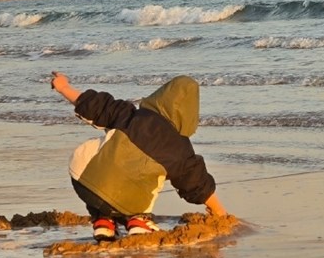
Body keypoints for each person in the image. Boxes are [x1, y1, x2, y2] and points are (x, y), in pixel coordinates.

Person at [51, 72, 228, 242]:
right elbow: (196, 183)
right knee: (145, 178)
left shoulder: (129, 113)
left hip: (82, 180)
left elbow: (94, 105)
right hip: (126, 198)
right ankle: (138, 219)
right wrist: (219, 212)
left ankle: (103, 220)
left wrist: (64, 87)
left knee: (106, 159)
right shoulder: (181, 149)